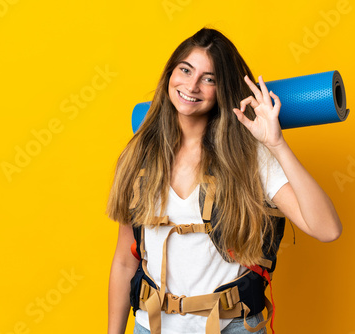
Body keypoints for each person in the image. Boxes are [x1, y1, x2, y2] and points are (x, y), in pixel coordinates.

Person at [106, 27, 342, 334]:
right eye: (185, 70)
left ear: (223, 89)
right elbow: (126, 260)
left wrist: (276, 145)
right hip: (151, 326)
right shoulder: (139, 155)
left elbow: (327, 229)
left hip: (231, 326)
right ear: (169, 74)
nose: (192, 85)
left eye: (209, 78)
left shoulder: (248, 155)